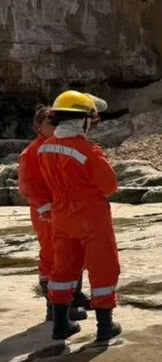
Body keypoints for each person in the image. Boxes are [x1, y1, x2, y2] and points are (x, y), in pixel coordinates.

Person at [38, 90, 121, 342]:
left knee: (63, 268)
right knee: (103, 267)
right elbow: (109, 185)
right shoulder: (87, 149)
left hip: (61, 216)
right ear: (82, 120)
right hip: (91, 216)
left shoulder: (45, 148)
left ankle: (61, 325)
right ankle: (105, 326)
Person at [18, 106, 89, 321]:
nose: (55, 127)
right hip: (47, 212)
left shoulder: (60, 147)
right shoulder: (32, 152)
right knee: (52, 254)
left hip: (66, 208)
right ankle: (54, 307)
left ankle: (72, 298)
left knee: (75, 250)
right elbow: (28, 185)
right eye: (50, 123)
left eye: (56, 122)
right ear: (38, 126)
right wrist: (45, 209)